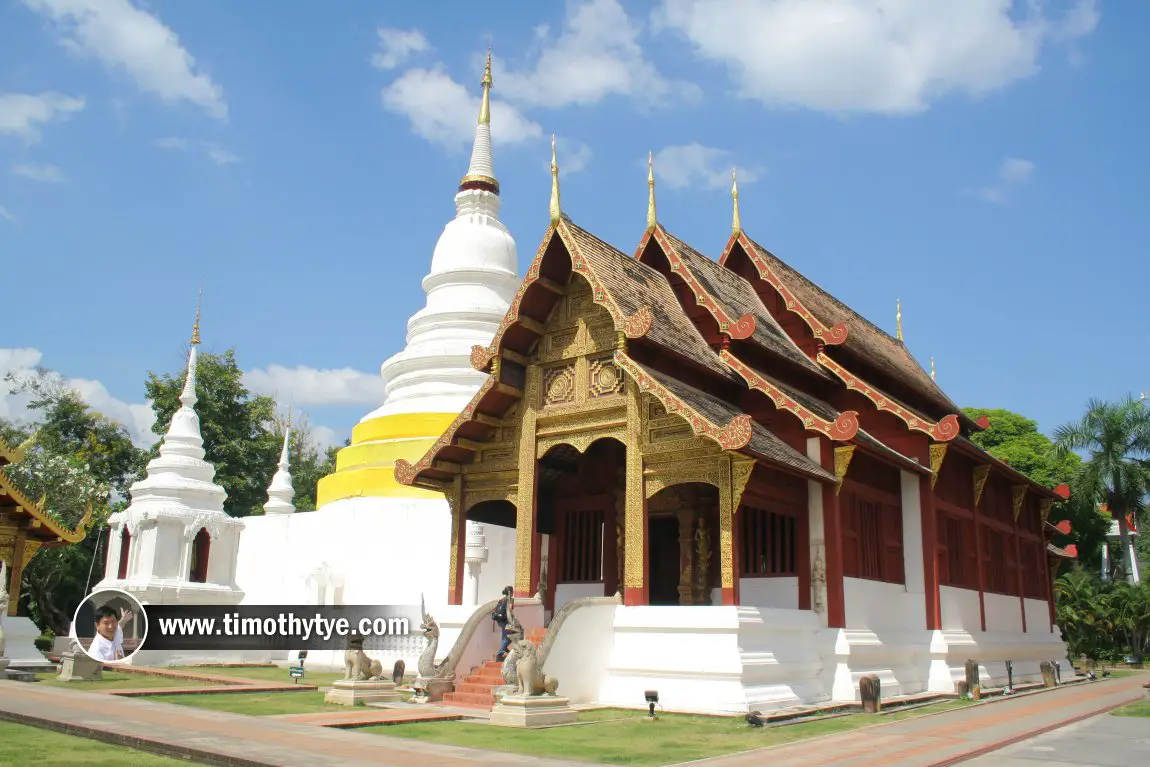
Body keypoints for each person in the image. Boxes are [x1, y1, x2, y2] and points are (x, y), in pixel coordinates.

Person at [493, 586, 513, 661]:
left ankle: (504, 648)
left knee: (504, 637)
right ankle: (500, 653)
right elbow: (510, 609)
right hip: (505, 620)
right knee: (512, 636)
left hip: (499, 621)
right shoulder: (510, 599)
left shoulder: (501, 599)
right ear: (511, 592)